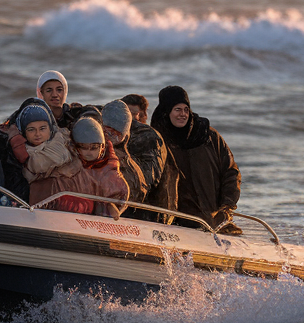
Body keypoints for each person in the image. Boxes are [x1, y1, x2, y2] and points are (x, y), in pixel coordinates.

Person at [150, 86, 242, 234]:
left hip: (212, 220)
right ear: (166, 111)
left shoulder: (208, 136)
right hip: (176, 223)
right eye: (177, 109)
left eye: (186, 109)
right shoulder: (156, 140)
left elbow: (231, 172)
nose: (183, 114)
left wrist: (227, 206)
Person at [8, 102, 91, 214]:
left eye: (42, 128)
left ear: (50, 128)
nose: (37, 134)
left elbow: (39, 163)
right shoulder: (21, 151)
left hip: (72, 203)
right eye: (31, 129)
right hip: (42, 208)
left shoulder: (60, 142)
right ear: (24, 131)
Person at [120, 93, 177, 223]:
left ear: (144, 116)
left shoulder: (150, 139)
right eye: (125, 113)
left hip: (148, 215)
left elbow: (145, 182)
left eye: (133, 113)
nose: (128, 119)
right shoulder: (116, 135)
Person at [72, 116, 130, 218]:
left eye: (94, 148)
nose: (89, 152)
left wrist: (111, 206)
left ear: (102, 147)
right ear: (75, 147)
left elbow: (121, 194)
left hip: (100, 222)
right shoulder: (70, 165)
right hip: (70, 216)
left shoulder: (110, 169)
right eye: (83, 147)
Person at [99, 100, 147, 205]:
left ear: (124, 135)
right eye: (106, 130)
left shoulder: (129, 168)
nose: (109, 136)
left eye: (115, 132)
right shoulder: (93, 151)